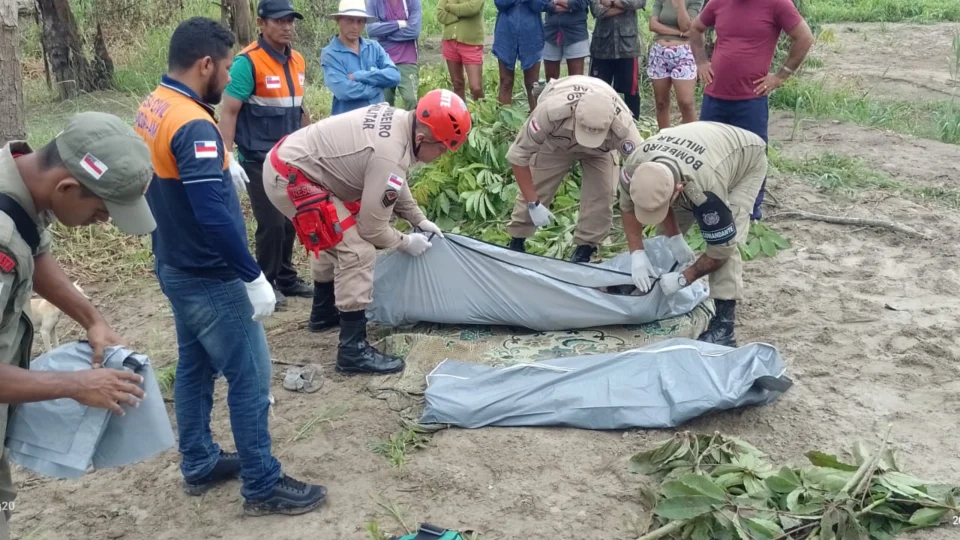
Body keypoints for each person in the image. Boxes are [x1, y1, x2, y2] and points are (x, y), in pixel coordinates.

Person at [134, 17, 326, 516]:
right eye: (224, 67)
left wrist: (221, 158)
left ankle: (198, 460)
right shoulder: (193, 124)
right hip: (209, 272)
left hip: (173, 260)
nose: (227, 77)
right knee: (251, 376)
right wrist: (251, 274)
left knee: (195, 365)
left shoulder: (156, 104)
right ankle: (262, 483)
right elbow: (214, 216)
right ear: (205, 65)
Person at [0, 112, 156, 540]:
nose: (104, 222)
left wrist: (92, 319)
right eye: (102, 211)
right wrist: (76, 384)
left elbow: (32, 249)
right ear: (67, 187)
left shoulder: (20, 186)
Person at [261, 89, 471, 374]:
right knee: (357, 251)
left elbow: (394, 180)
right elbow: (373, 229)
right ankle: (352, 350)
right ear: (423, 138)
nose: (441, 155)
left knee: (336, 235)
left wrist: (417, 218)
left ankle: (324, 311)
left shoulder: (402, 124)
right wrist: (405, 241)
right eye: (442, 148)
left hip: (296, 163)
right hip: (292, 177)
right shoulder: (390, 154)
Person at [618, 121, 767, 347]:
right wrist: (638, 253)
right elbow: (628, 207)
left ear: (678, 189)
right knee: (664, 239)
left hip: (745, 157)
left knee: (729, 239)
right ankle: (657, 292)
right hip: (698, 146)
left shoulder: (705, 190)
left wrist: (685, 278)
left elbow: (721, 249)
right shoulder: (634, 167)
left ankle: (724, 326)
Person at [218, 0, 313, 309]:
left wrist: (313, 143)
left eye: (290, 21)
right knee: (271, 223)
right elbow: (229, 112)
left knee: (291, 220)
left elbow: (298, 107)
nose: (287, 27)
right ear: (261, 23)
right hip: (258, 158)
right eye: (279, 21)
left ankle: (286, 277)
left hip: (290, 157)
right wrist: (227, 156)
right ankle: (266, 281)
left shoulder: (297, 60)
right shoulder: (247, 63)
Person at [687, 0, 813, 220]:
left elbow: (804, 37)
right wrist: (701, 62)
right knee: (709, 153)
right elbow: (696, 28)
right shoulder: (719, 2)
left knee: (753, 155)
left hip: (750, 99)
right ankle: (711, 208)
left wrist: (781, 75)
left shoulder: (777, 4)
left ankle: (750, 212)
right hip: (715, 95)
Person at [504, 75, 643, 263]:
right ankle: (517, 240)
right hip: (556, 144)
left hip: (600, 152)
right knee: (537, 185)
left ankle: (586, 248)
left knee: (602, 194)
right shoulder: (550, 111)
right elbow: (519, 156)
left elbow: (641, 170)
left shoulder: (624, 128)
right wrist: (533, 203)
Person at [321, 0, 402, 116]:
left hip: (376, 119)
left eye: (360, 21)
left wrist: (358, 76)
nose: (355, 27)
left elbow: (394, 76)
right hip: (347, 121)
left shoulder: (374, 47)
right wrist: (378, 87)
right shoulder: (330, 54)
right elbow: (343, 91)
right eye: (350, 20)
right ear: (338, 20)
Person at [647, 0, 702, 129]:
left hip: (683, 53)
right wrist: (679, 33)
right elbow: (653, 25)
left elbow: (686, 27)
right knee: (661, 103)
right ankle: (664, 137)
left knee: (686, 103)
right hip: (659, 52)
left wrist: (680, 4)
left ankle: (691, 137)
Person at [588, 0, 644, 120]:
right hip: (602, 47)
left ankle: (633, 125)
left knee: (631, 92)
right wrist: (624, 7)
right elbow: (597, 11)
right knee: (597, 91)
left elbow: (639, 2)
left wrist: (612, 2)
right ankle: (598, 124)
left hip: (627, 47)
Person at [365, 0, 423, 110]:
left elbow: (414, 31)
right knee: (384, 103)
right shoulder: (373, 2)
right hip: (382, 59)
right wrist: (399, 24)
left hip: (407, 58)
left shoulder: (413, 2)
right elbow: (371, 30)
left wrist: (384, 34)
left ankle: (412, 122)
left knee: (411, 100)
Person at [492, 0, 547, 110]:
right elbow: (500, 4)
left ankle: (535, 118)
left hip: (531, 34)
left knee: (532, 84)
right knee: (506, 82)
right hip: (506, 33)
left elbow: (540, 5)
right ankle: (504, 118)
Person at [436, 0, 486, 103]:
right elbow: (440, 14)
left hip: (471, 43)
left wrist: (449, 7)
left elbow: (472, 8)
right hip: (450, 41)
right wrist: (461, 14)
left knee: (476, 88)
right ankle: (461, 111)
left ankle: (482, 110)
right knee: (457, 84)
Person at [542, 0, 590, 81]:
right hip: (551, 32)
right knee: (550, 78)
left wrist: (556, 1)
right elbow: (542, 4)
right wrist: (568, 7)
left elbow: (581, 3)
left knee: (576, 79)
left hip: (576, 33)